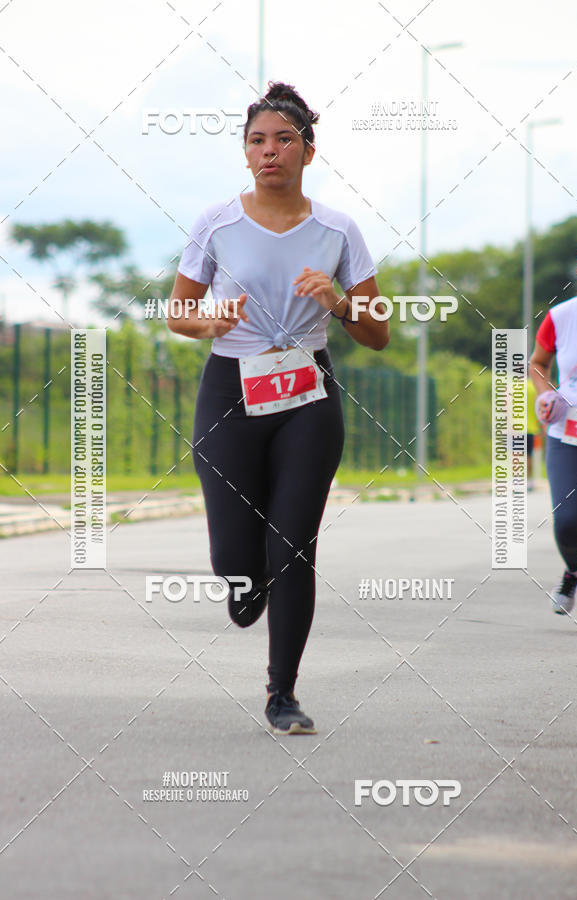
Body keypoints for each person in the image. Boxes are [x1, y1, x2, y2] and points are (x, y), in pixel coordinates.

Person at [167, 81, 389, 733]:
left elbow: (378, 332)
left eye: (284, 140)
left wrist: (343, 303)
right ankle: (247, 582)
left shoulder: (338, 230)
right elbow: (179, 313)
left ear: (308, 152)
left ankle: (282, 693)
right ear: (245, 153)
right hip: (230, 388)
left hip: (307, 395)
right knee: (238, 566)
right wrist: (208, 324)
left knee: (293, 546)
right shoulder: (217, 223)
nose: (270, 152)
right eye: (257, 140)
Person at [529, 236, 577, 633]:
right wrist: (545, 393)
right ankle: (572, 568)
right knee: (569, 520)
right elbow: (538, 364)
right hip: (567, 430)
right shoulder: (561, 317)